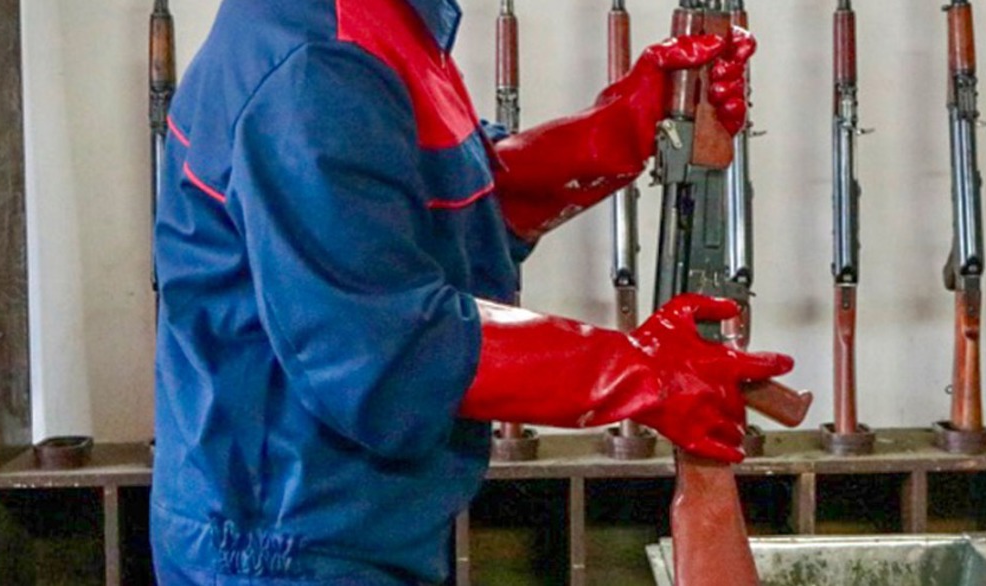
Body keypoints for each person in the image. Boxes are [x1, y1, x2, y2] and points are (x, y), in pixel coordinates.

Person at [149, 0, 788, 583]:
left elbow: (436, 217)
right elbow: (385, 350)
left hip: (349, 522)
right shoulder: (319, 64)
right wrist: (642, 372)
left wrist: (620, 131)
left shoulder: (382, 23)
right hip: (283, 544)